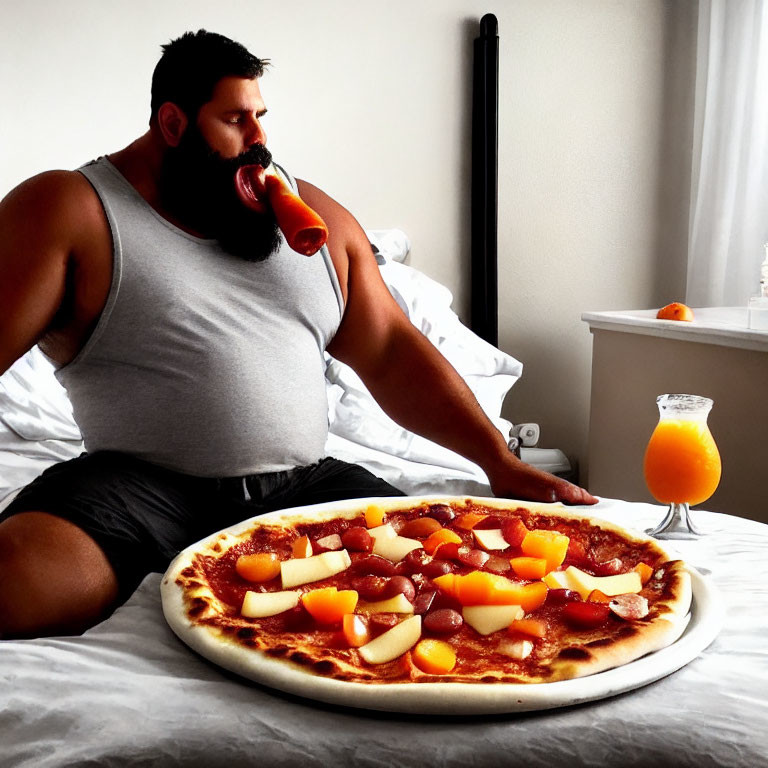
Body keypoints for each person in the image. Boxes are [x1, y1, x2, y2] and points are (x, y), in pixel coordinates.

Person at [0, 30, 596, 639]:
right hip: (133, 491)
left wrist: (498, 463)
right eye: (234, 120)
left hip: (304, 488)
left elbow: (390, 352)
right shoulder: (69, 209)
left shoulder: (318, 219)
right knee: (13, 592)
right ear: (173, 124)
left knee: (447, 578)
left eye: (260, 116)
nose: (259, 141)